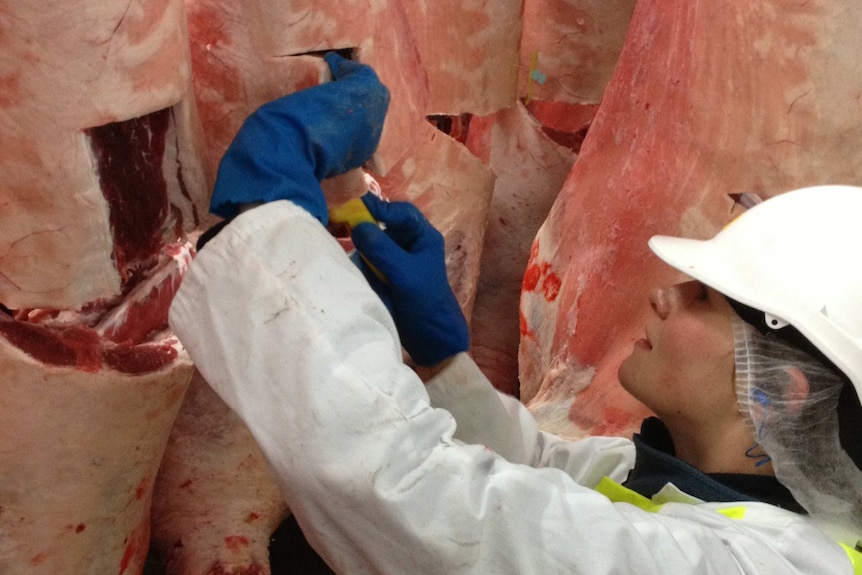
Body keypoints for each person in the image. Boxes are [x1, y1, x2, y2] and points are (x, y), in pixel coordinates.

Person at [169, 53, 862, 574]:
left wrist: (266, 237)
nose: (661, 293)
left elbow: (419, 501)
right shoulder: (693, 494)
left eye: (701, 297)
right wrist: (443, 358)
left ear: (779, 388)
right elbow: (535, 474)